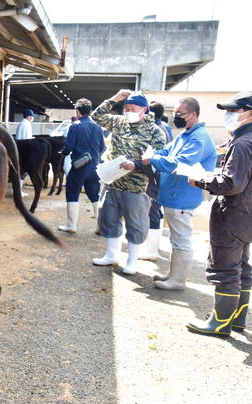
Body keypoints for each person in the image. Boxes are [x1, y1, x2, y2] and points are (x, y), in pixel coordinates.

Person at [124, 97, 217, 289]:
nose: (176, 117)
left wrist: (153, 160)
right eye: (174, 114)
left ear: (193, 114)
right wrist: (151, 156)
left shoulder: (199, 138)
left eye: (179, 114)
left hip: (182, 197)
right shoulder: (186, 135)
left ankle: (178, 280)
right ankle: (174, 274)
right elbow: (167, 152)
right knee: (176, 237)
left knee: (181, 238)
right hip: (174, 195)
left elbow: (180, 162)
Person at [187, 91, 252, 336]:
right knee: (241, 267)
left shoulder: (243, 144)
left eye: (234, 111)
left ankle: (220, 322)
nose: (228, 115)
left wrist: (201, 181)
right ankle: (237, 319)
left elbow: (232, 183)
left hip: (233, 215)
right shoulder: (246, 139)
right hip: (247, 215)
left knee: (225, 268)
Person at [90, 90, 166, 275]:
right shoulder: (119, 121)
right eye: (126, 108)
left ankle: (132, 261)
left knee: (136, 224)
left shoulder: (155, 132)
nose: (128, 111)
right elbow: (96, 116)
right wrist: (115, 99)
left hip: (136, 186)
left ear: (144, 110)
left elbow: (159, 158)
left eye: (133, 108)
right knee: (109, 219)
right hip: (112, 181)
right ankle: (111, 255)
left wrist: (137, 165)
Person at [58, 99, 105, 232]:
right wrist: (94, 156)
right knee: (95, 195)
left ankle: (71, 225)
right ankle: (100, 226)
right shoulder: (98, 127)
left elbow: (69, 147)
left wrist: (63, 152)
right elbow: (102, 147)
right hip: (95, 167)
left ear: (77, 112)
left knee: (73, 193)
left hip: (79, 167)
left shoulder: (75, 126)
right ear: (90, 112)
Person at [138, 101, 174, 261]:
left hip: (153, 173)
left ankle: (152, 251)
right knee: (155, 209)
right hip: (159, 173)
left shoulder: (156, 130)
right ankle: (152, 248)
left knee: (152, 209)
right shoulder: (166, 127)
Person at [15, 108, 36, 196]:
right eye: (32, 116)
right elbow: (28, 139)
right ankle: (19, 191)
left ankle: (18, 190)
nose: (32, 118)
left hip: (19, 148)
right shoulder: (27, 124)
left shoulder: (22, 123)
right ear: (29, 116)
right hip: (24, 149)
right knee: (23, 171)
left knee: (20, 171)